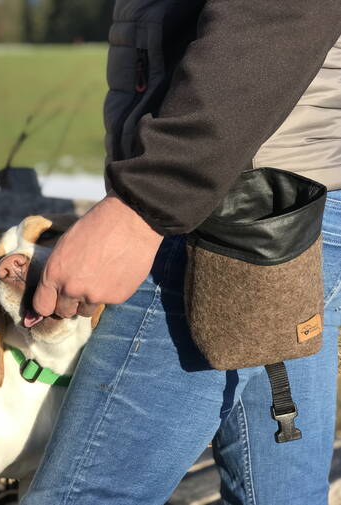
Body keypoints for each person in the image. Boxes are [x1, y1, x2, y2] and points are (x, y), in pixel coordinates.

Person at [21, 0, 341, 503]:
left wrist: (146, 204)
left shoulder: (178, 197)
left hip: (225, 209)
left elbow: (280, 13)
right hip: (272, 195)